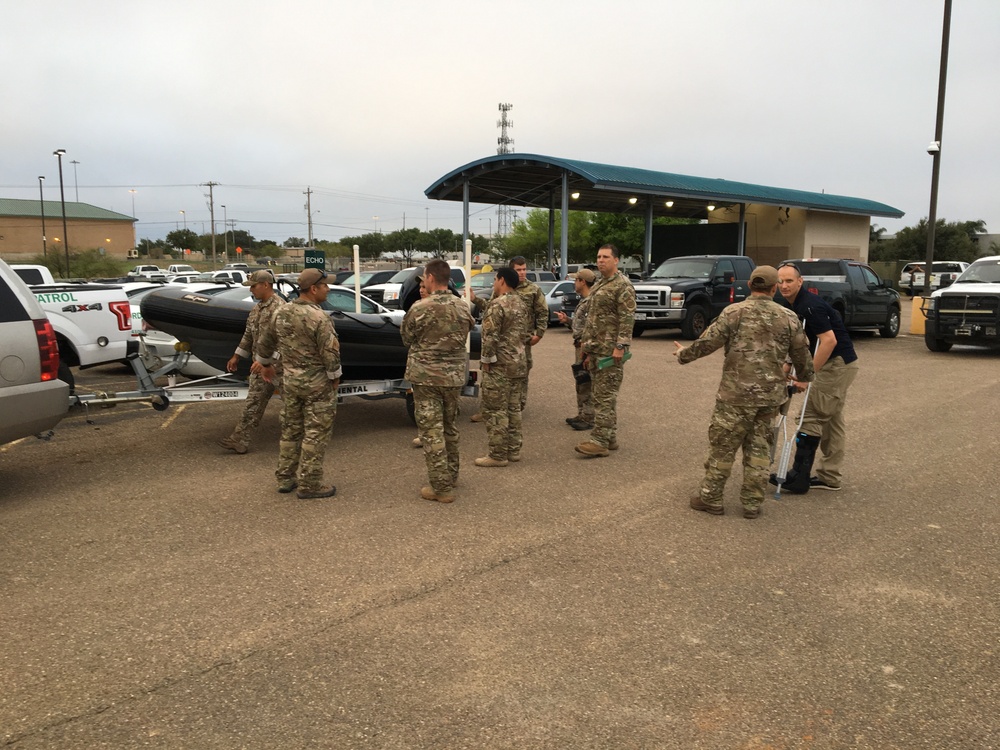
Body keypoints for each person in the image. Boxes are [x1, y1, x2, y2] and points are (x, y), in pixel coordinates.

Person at [675, 265, 814, 519]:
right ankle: (752, 503)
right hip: (769, 398)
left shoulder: (733, 312)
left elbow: (708, 343)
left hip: (734, 396)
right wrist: (805, 377)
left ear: (750, 286)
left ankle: (711, 498)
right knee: (759, 449)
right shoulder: (788, 317)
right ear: (774, 289)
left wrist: (683, 355)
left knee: (723, 447)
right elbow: (802, 355)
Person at [775, 262, 860, 493]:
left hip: (836, 364)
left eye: (789, 281)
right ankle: (830, 476)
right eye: (780, 281)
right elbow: (802, 341)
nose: (784, 285)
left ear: (800, 281)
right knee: (831, 421)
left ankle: (798, 477)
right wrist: (786, 366)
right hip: (840, 364)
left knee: (811, 416)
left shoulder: (810, 305)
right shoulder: (792, 305)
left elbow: (828, 340)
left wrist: (806, 376)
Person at [258, 268, 341, 499]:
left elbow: (265, 342)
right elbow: (330, 354)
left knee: (291, 430)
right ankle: (310, 484)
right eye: (325, 285)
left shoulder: (281, 312)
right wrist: (335, 378)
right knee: (315, 433)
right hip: (317, 385)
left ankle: (285, 478)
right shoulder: (320, 317)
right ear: (313, 289)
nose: (328, 289)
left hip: (291, 382)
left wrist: (265, 364)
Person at [401, 259, 476, 502]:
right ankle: (451, 475)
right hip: (453, 377)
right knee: (450, 426)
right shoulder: (463, 306)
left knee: (431, 430)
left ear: (431, 278)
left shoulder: (420, 307)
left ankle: (440, 487)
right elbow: (468, 329)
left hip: (425, 377)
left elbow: (406, 337)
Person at [575, 244, 636, 458]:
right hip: (596, 349)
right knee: (602, 395)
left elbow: (627, 319)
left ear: (616, 260)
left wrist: (620, 346)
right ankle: (610, 438)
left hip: (610, 352)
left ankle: (599, 441)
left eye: (606, 257)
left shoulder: (622, 285)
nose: (601, 260)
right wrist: (586, 347)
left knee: (604, 397)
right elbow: (593, 318)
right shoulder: (600, 284)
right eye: (599, 257)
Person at [217, 270, 284, 454]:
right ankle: (239, 440)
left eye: (254, 286)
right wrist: (237, 355)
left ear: (266, 285)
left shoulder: (280, 309)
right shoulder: (257, 309)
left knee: (294, 406)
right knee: (253, 403)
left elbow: (284, 341)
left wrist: (268, 362)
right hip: (259, 366)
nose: (251, 290)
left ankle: (305, 440)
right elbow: (248, 335)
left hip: (281, 368)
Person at [474, 267, 528, 468]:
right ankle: (513, 451)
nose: (494, 283)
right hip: (518, 364)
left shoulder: (497, 305)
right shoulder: (521, 303)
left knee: (495, 410)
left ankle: (497, 454)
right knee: (513, 409)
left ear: (502, 280)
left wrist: (486, 362)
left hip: (499, 367)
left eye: (495, 279)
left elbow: (490, 337)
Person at [555, 268, 597, 430]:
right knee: (581, 380)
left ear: (582, 282)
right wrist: (568, 320)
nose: (574, 283)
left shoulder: (592, 302)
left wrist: (588, 352)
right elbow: (581, 326)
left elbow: (593, 329)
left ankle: (588, 417)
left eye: (576, 280)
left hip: (587, 348)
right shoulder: (585, 300)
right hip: (580, 347)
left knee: (587, 381)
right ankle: (582, 414)